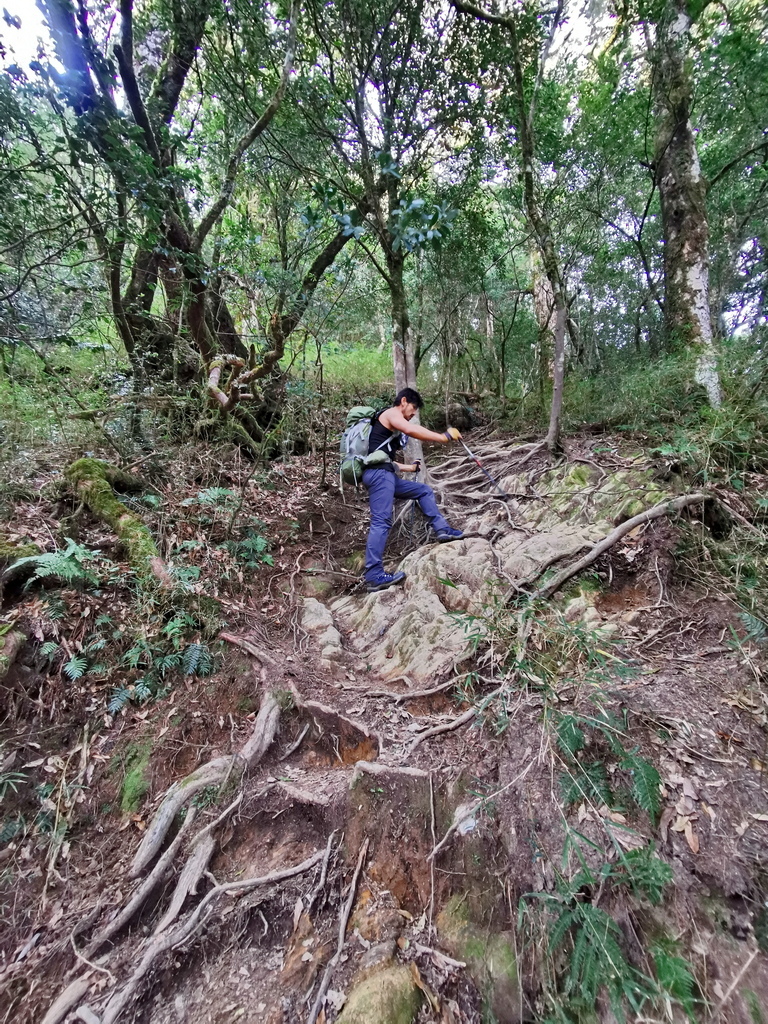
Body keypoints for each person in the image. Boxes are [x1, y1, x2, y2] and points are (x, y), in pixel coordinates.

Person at [362, 387, 465, 592]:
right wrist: (443, 437)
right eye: (413, 407)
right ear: (403, 401)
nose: (414, 413)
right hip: (380, 476)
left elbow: (383, 460)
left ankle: (442, 530)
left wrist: (409, 468)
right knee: (381, 521)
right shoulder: (391, 413)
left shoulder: (385, 428)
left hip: (385, 474)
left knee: (423, 490)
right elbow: (410, 431)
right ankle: (373, 575)